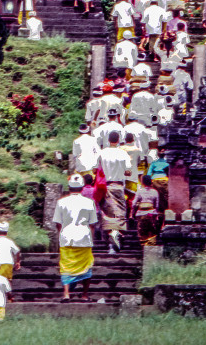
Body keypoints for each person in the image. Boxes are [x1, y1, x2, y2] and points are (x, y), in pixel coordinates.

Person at [52, 173, 98, 302]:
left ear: (69, 187)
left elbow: (58, 223)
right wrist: (91, 239)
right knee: (87, 266)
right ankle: (84, 295)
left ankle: (66, 294)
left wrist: (61, 235)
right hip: (84, 237)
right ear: (82, 187)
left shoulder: (61, 202)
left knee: (66, 265)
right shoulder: (89, 202)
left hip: (67, 237)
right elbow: (93, 224)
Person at [98, 128, 132, 254]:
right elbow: (128, 171)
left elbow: (96, 169)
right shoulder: (123, 154)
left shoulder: (102, 153)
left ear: (108, 140)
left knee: (107, 213)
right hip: (118, 186)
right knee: (120, 212)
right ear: (118, 140)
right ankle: (116, 232)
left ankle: (111, 240)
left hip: (105, 186)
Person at [130, 173, 161, 247]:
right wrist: (156, 215)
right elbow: (157, 205)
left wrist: (132, 213)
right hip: (151, 213)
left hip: (141, 213)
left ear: (142, 182)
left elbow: (133, 204)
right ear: (151, 182)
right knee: (152, 230)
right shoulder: (155, 192)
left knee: (142, 230)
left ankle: (144, 245)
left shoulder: (139, 191)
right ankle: (151, 245)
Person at [147, 144, 170, 214]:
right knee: (165, 198)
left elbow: (148, 174)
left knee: (156, 198)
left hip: (155, 181)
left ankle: (157, 212)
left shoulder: (154, 163)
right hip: (165, 181)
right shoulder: (168, 163)